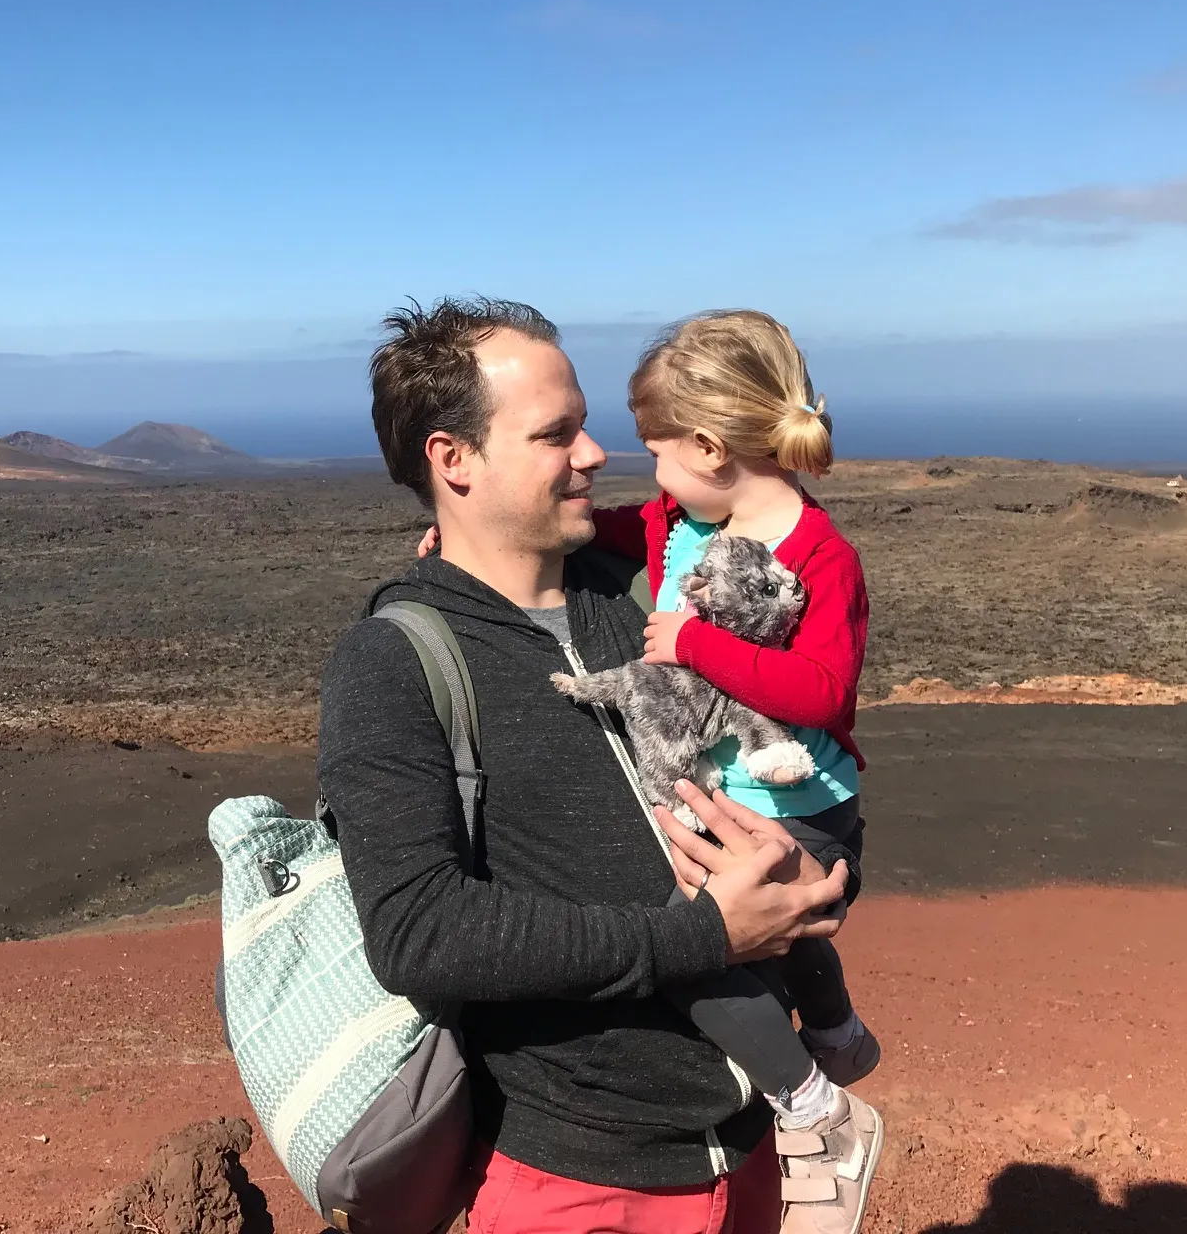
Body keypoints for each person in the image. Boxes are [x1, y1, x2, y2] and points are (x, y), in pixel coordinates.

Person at [318, 296, 849, 1233]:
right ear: (454, 460)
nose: (598, 454)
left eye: (587, 425)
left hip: (754, 1157)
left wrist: (811, 890)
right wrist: (704, 940)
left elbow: (788, 750)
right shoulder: (397, 658)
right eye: (556, 434)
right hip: (578, 1187)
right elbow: (418, 932)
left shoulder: (650, 591)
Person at [591, 309, 882, 1232]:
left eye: (660, 454)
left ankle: (815, 1110)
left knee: (692, 949)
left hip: (798, 800)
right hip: (738, 796)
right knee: (784, 935)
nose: (654, 477)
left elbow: (819, 689)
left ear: (712, 447)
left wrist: (695, 642)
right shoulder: (682, 517)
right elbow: (619, 532)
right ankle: (835, 1033)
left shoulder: (821, 559)